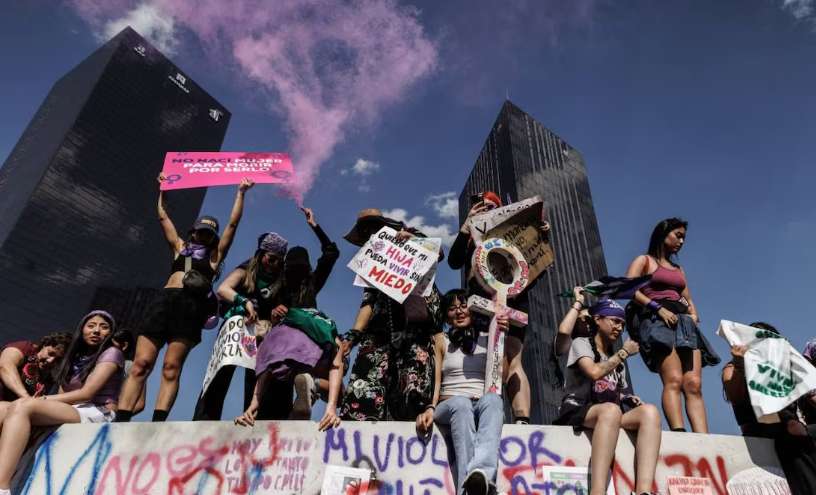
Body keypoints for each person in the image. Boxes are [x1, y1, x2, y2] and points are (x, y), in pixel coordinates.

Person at [116, 175, 254, 422]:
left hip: (190, 309)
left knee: (171, 368)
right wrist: (163, 190)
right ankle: (121, 419)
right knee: (140, 364)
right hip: (163, 302)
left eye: (208, 234)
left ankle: (158, 423)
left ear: (213, 237)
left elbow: (233, 225)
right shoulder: (180, 247)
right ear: (194, 233)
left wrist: (241, 192)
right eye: (200, 232)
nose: (203, 237)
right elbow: (162, 217)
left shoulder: (214, 258)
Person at [200, 207, 340, 420]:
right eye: (272, 260)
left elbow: (331, 254)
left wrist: (314, 225)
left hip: (285, 335)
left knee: (270, 369)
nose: (274, 265)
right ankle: (312, 393)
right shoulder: (284, 282)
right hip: (292, 333)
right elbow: (331, 253)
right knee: (307, 367)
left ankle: (267, 406)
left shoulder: (293, 282)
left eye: (278, 262)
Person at [449, 191, 549, 424]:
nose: (483, 209)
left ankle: (522, 418)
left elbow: (536, 266)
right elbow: (454, 261)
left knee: (514, 357)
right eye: (478, 206)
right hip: (481, 299)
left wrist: (541, 234)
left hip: (513, 298)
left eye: (489, 206)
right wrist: (466, 227)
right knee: (483, 354)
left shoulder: (515, 230)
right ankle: (485, 412)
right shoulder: (471, 233)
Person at [0, 311, 124, 495]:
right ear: (81, 330)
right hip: (75, 409)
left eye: (103, 327)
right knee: (3, 408)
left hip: (97, 411)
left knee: (22, 405)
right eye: (91, 326)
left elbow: (86, 393)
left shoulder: (112, 353)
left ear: (110, 333)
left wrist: (40, 400)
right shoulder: (74, 357)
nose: (96, 330)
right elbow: (63, 394)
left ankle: (2, 487)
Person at [339, 208, 445, 423]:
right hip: (380, 333)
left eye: (374, 226)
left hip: (414, 331)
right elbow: (368, 302)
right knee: (365, 389)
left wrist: (412, 240)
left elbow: (438, 253)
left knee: (412, 393)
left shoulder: (409, 235)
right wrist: (353, 336)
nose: (370, 232)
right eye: (364, 230)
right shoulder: (370, 259)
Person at [554, 299, 661, 495]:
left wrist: (629, 399)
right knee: (611, 411)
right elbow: (594, 372)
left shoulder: (614, 356)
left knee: (650, 412)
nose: (619, 327)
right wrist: (623, 353)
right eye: (614, 321)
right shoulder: (581, 343)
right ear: (597, 319)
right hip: (578, 409)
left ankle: (643, 491)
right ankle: (598, 491)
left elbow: (617, 389)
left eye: (622, 323)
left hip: (608, 413)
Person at [624, 218, 719, 433]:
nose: (682, 241)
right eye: (678, 235)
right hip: (658, 320)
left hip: (684, 323)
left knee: (693, 384)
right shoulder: (645, 260)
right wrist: (657, 307)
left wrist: (694, 314)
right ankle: (679, 432)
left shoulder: (678, 269)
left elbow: (686, 296)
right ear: (663, 233)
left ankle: (703, 437)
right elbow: (628, 288)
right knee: (674, 380)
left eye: (684, 237)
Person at [722, 322, 816, 494]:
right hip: (761, 428)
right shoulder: (732, 368)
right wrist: (739, 364)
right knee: (792, 440)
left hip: (793, 426)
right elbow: (734, 396)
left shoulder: (783, 367)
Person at [433, 289, 509, 495]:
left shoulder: (488, 337)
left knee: (494, 400)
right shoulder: (441, 340)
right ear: (446, 316)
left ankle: (480, 475)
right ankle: (465, 490)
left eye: (463, 305)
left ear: (474, 309)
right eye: (451, 308)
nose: (458, 311)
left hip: (480, 404)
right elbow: (435, 381)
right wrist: (430, 407)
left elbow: (504, 375)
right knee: (461, 403)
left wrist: (501, 336)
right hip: (450, 404)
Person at [0, 332, 72, 404]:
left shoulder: (49, 379)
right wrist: (26, 397)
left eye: (58, 360)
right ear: (45, 345)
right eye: (50, 353)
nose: (50, 361)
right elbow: (5, 367)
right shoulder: (26, 348)